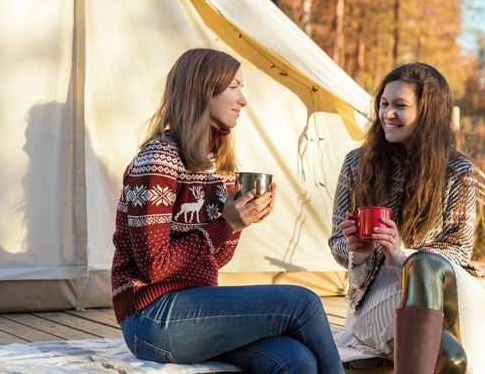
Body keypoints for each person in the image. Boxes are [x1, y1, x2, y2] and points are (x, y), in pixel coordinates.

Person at [111, 48, 344, 374]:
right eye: (234, 87)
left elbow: (214, 260)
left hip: (196, 307)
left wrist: (237, 223)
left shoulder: (213, 163)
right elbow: (153, 267)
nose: (243, 100)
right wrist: (224, 224)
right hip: (149, 317)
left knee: (295, 360)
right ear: (202, 91)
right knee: (302, 303)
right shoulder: (159, 160)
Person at [328, 62, 485, 374]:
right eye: (383, 104)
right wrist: (358, 250)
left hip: (449, 294)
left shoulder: (457, 170)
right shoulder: (357, 163)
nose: (387, 114)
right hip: (380, 296)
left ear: (428, 113)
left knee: (423, 264)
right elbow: (335, 242)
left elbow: (459, 251)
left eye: (400, 106)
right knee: (450, 359)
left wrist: (404, 254)